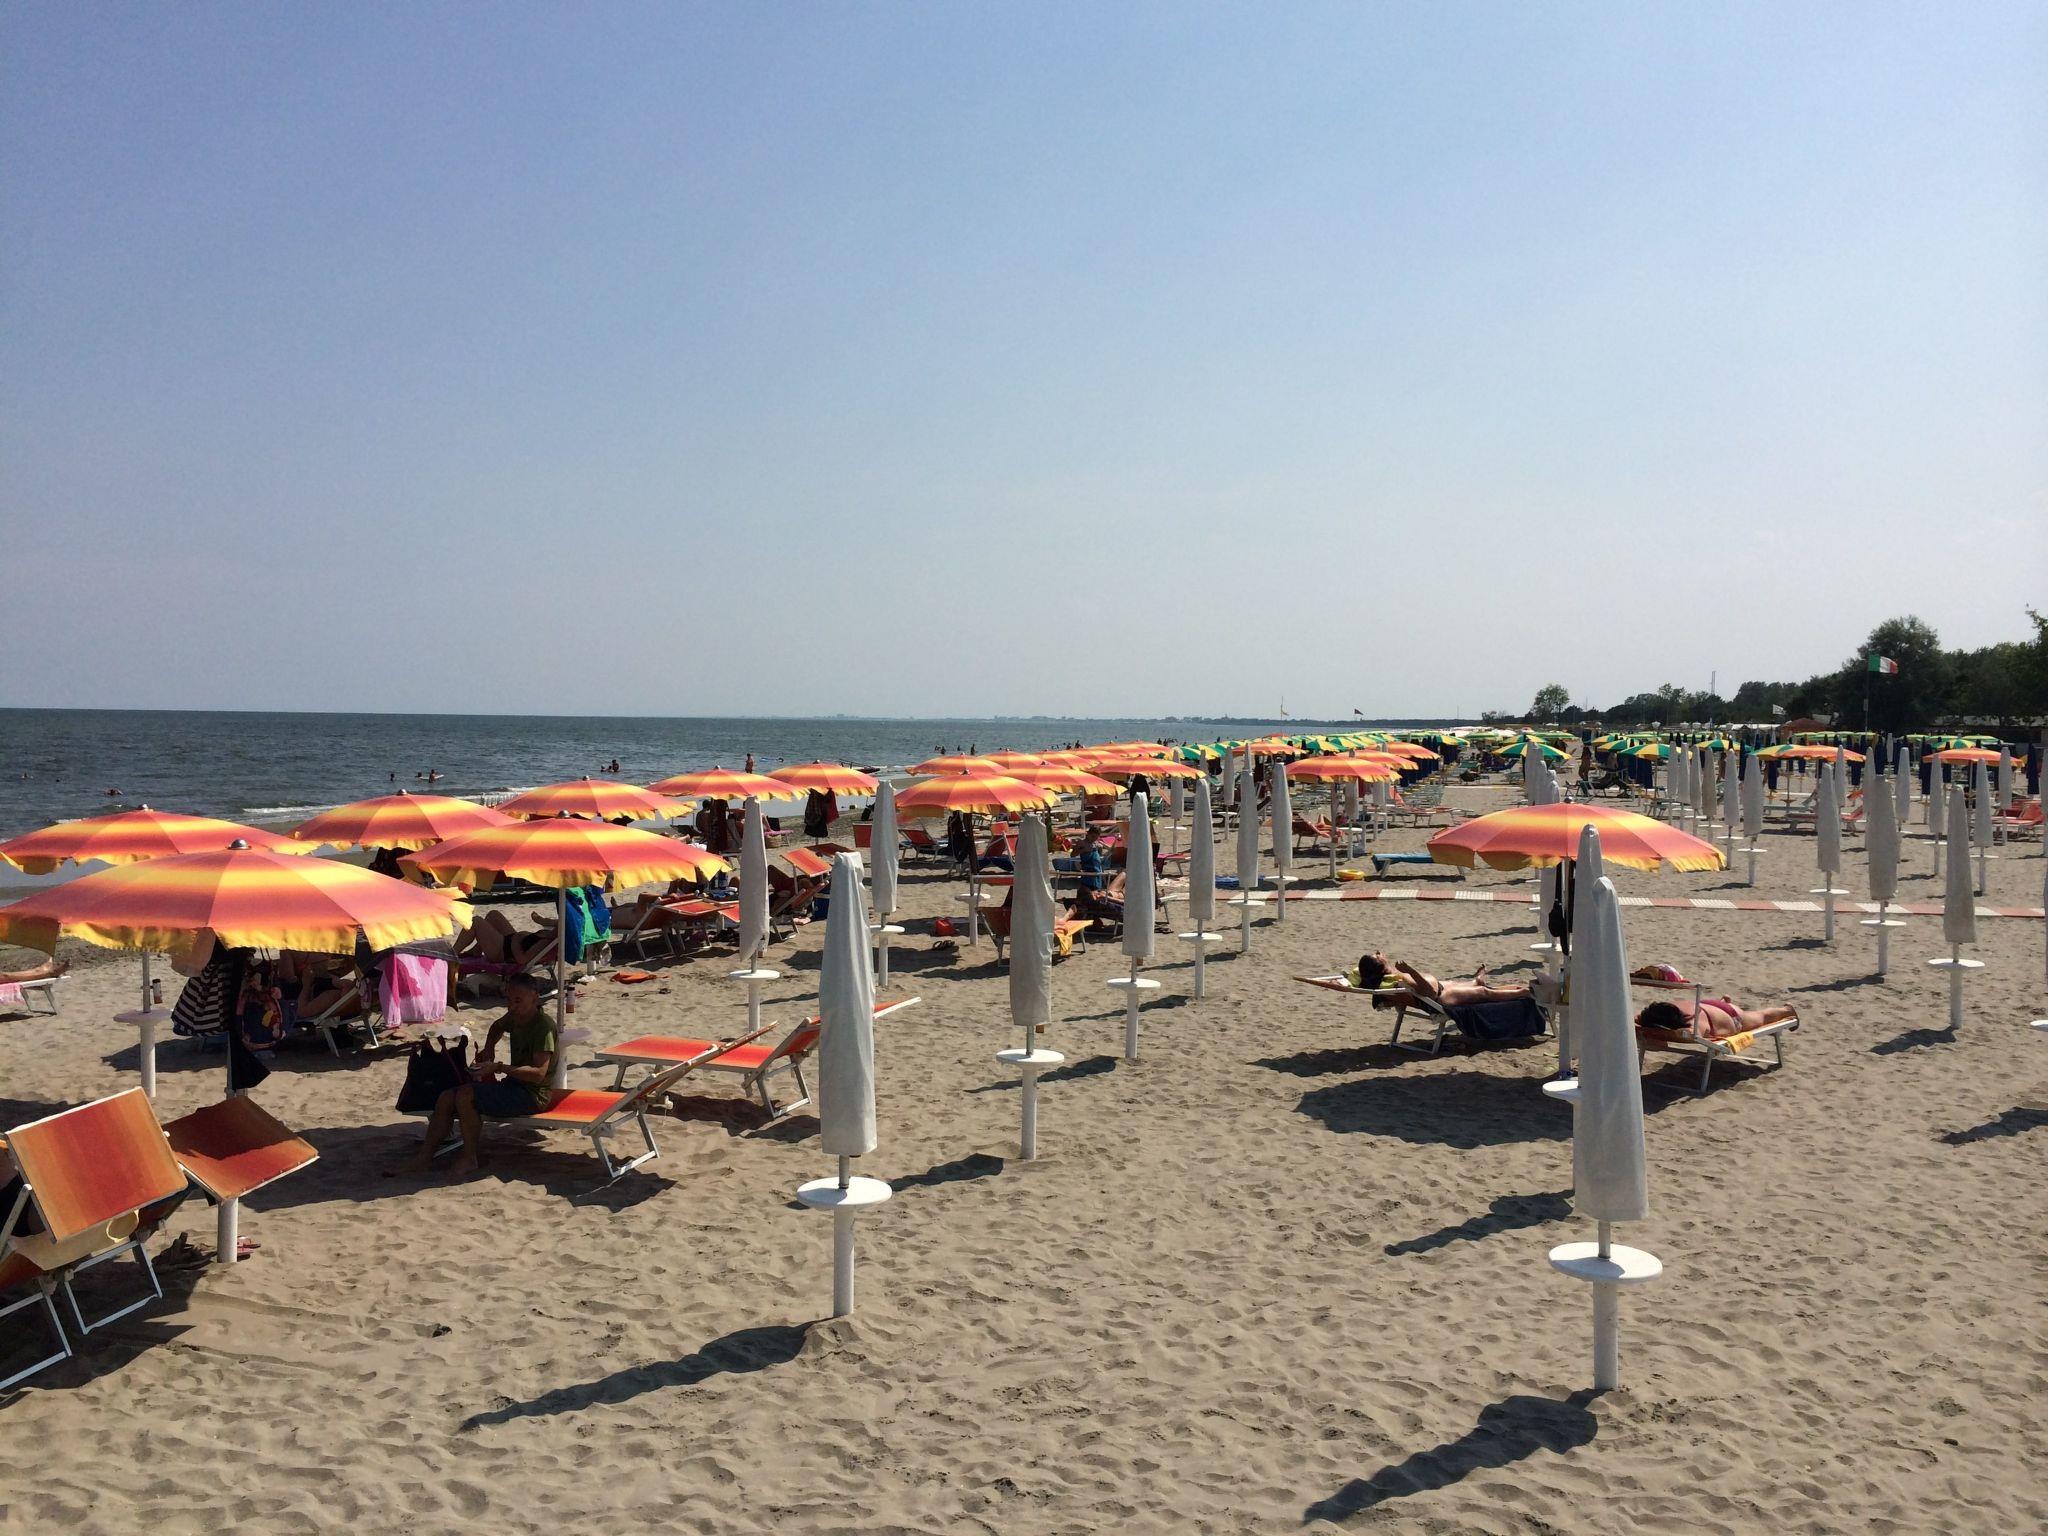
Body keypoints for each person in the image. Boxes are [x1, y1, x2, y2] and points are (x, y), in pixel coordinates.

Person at [398, 973, 555, 1178]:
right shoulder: (516, 1016)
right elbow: (497, 1026)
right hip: (513, 1085)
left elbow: (538, 1074)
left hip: (533, 1095)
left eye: (518, 1001)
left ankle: (469, 1157)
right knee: (446, 1096)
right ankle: (424, 1157)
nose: (512, 1006)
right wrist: (489, 1048)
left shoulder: (543, 1027)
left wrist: (498, 1067)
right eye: (509, 1000)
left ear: (535, 997)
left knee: (466, 1096)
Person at [1355, 952, 1547, 1010]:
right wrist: (1410, 970)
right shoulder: (1397, 980)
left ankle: (1476, 980)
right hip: (1440, 998)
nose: (1380, 953)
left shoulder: (1388, 977)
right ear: (1380, 965)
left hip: (1442, 989)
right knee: (1485, 993)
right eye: (1377, 955)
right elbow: (1428, 992)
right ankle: (1525, 992)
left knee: (1475, 986)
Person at [1636, 995, 1797, 1040]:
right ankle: (1724, 1001)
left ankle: (1786, 1010)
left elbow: (1690, 1035)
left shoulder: (1695, 1025)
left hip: (1732, 1018)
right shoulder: (1667, 1008)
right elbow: (1636, 1018)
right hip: (1708, 1006)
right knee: (1759, 1016)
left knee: (1762, 1017)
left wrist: (1652, 1032)